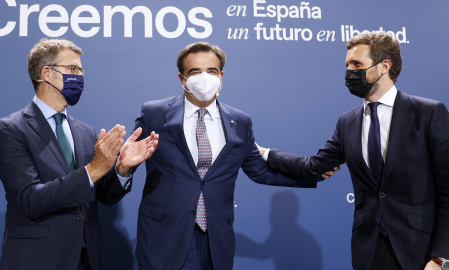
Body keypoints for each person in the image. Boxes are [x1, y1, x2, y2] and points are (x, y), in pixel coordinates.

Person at [132, 42, 336, 270]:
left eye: (211, 71)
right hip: (164, 237)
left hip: (215, 240)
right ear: (182, 79)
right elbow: (129, 159)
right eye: (195, 72)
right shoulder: (154, 113)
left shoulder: (240, 121)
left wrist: (311, 175)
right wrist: (122, 169)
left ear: (221, 76)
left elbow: (260, 171)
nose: (204, 77)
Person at [258, 32, 449, 270]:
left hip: (419, 252)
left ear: (384, 67)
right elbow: (314, 167)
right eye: (347, 65)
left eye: (357, 64)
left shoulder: (428, 113)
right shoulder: (347, 121)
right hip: (368, 250)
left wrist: (440, 258)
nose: (349, 71)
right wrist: (264, 152)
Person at [0, 38, 158, 270]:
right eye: (72, 69)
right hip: (36, 259)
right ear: (46, 73)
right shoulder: (10, 129)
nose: (79, 76)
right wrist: (94, 169)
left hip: (85, 260)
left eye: (81, 70)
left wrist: (122, 168)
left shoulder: (85, 131)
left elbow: (103, 195)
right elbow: (30, 199)